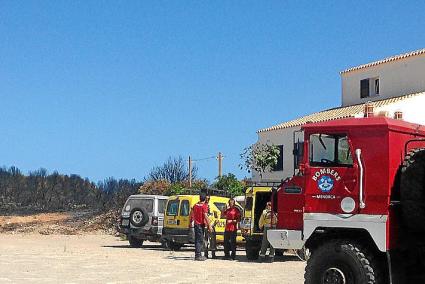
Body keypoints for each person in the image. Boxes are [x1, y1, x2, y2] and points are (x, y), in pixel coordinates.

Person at [189, 192, 212, 261]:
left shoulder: (195, 205)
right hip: (200, 225)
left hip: (196, 224)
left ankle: (198, 254)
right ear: (205, 199)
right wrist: (209, 225)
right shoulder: (203, 206)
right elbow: (205, 216)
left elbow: (191, 213)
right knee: (200, 240)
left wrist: (190, 221)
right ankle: (198, 255)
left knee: (197, 240)